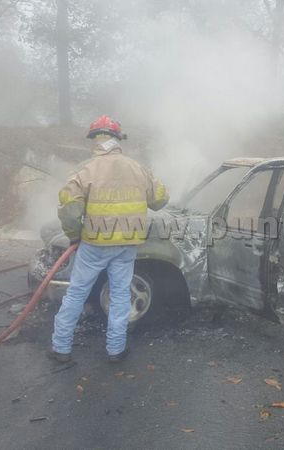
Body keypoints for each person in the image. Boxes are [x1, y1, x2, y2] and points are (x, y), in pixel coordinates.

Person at [49, 116, 169, 363]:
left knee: (77, 294)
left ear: (94, 140)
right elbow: (160, 199)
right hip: (127, 244)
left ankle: (61, 348)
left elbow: (69, 210)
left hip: (94, 244)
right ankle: (115, 350)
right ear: (118, 140)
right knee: (120, 295)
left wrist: (73, 237)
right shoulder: (138, 169)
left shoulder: (85, 170)